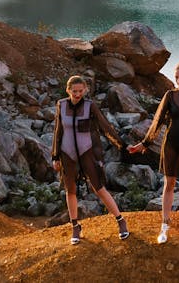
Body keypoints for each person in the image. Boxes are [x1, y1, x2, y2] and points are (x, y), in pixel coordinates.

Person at [128, 62, 179, 244]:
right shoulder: (170, 96)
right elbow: (157, 122)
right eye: (177, 77)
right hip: (171, 144)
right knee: (169, 184)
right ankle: (165, 225)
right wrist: (144, 143)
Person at [51, 74, 130, 245]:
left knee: (99, 188)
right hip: (67, 153)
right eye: (74, 91)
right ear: (68, 90)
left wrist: (121, 145)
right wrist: (55, 156)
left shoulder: (90, 106)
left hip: (87, 152)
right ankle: (75, 226)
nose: (78, 94)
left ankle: (120, 220)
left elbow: (105, 127)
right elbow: (58, 131)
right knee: (70, 191)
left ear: (85, 90)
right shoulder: (61, 105)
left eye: (80, 91)